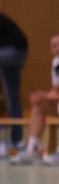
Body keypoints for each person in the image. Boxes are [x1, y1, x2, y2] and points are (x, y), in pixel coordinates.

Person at [10, 32, 59, 165]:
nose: (58, 48)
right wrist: (43, 96)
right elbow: (56, 90)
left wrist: (49, 96)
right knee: (39, 104)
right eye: (54, 46)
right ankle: (32, 149)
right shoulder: (56, 63)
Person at [0, 12, 25, 157]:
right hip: (19, 52)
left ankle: (3, 139)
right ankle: (17, 140)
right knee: (12, 97)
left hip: (13, 51)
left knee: (12, 97)